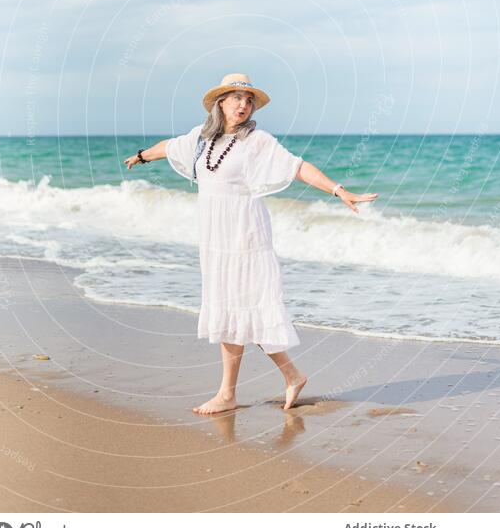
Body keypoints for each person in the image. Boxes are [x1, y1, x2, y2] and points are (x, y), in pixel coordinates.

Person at [123, 72, 378, 415]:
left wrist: (339, 191)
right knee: (233, 311)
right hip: (215, 239)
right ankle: (291, 376)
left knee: (245, 310)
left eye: (249, 100)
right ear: (221, 103)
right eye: (236, 98)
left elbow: (298, 167)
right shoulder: (201, 139)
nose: (243, 105)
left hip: (245, 235)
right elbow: (168, 146)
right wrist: (141, 156)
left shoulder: (257, 141)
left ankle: (229, 393)